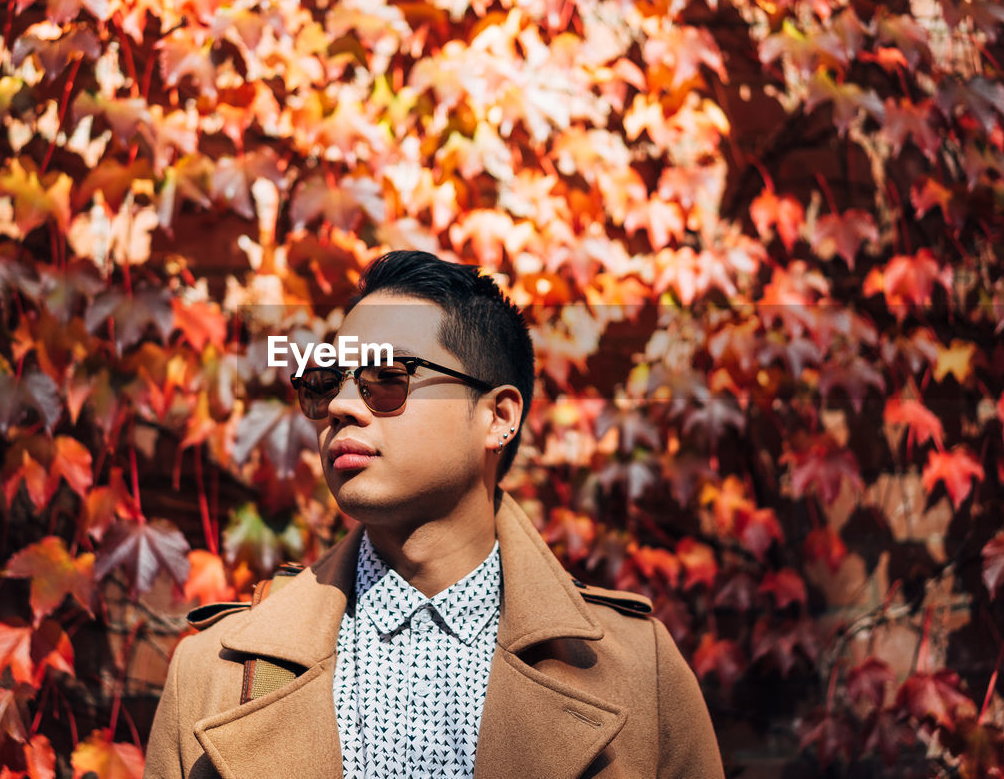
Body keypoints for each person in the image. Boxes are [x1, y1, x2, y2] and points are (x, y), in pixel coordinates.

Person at [144, 250, 724, 779]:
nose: (342, 407)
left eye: (387, 380)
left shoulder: (637, 668)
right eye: (327, 384)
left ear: (498, 417)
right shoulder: (213, 670)